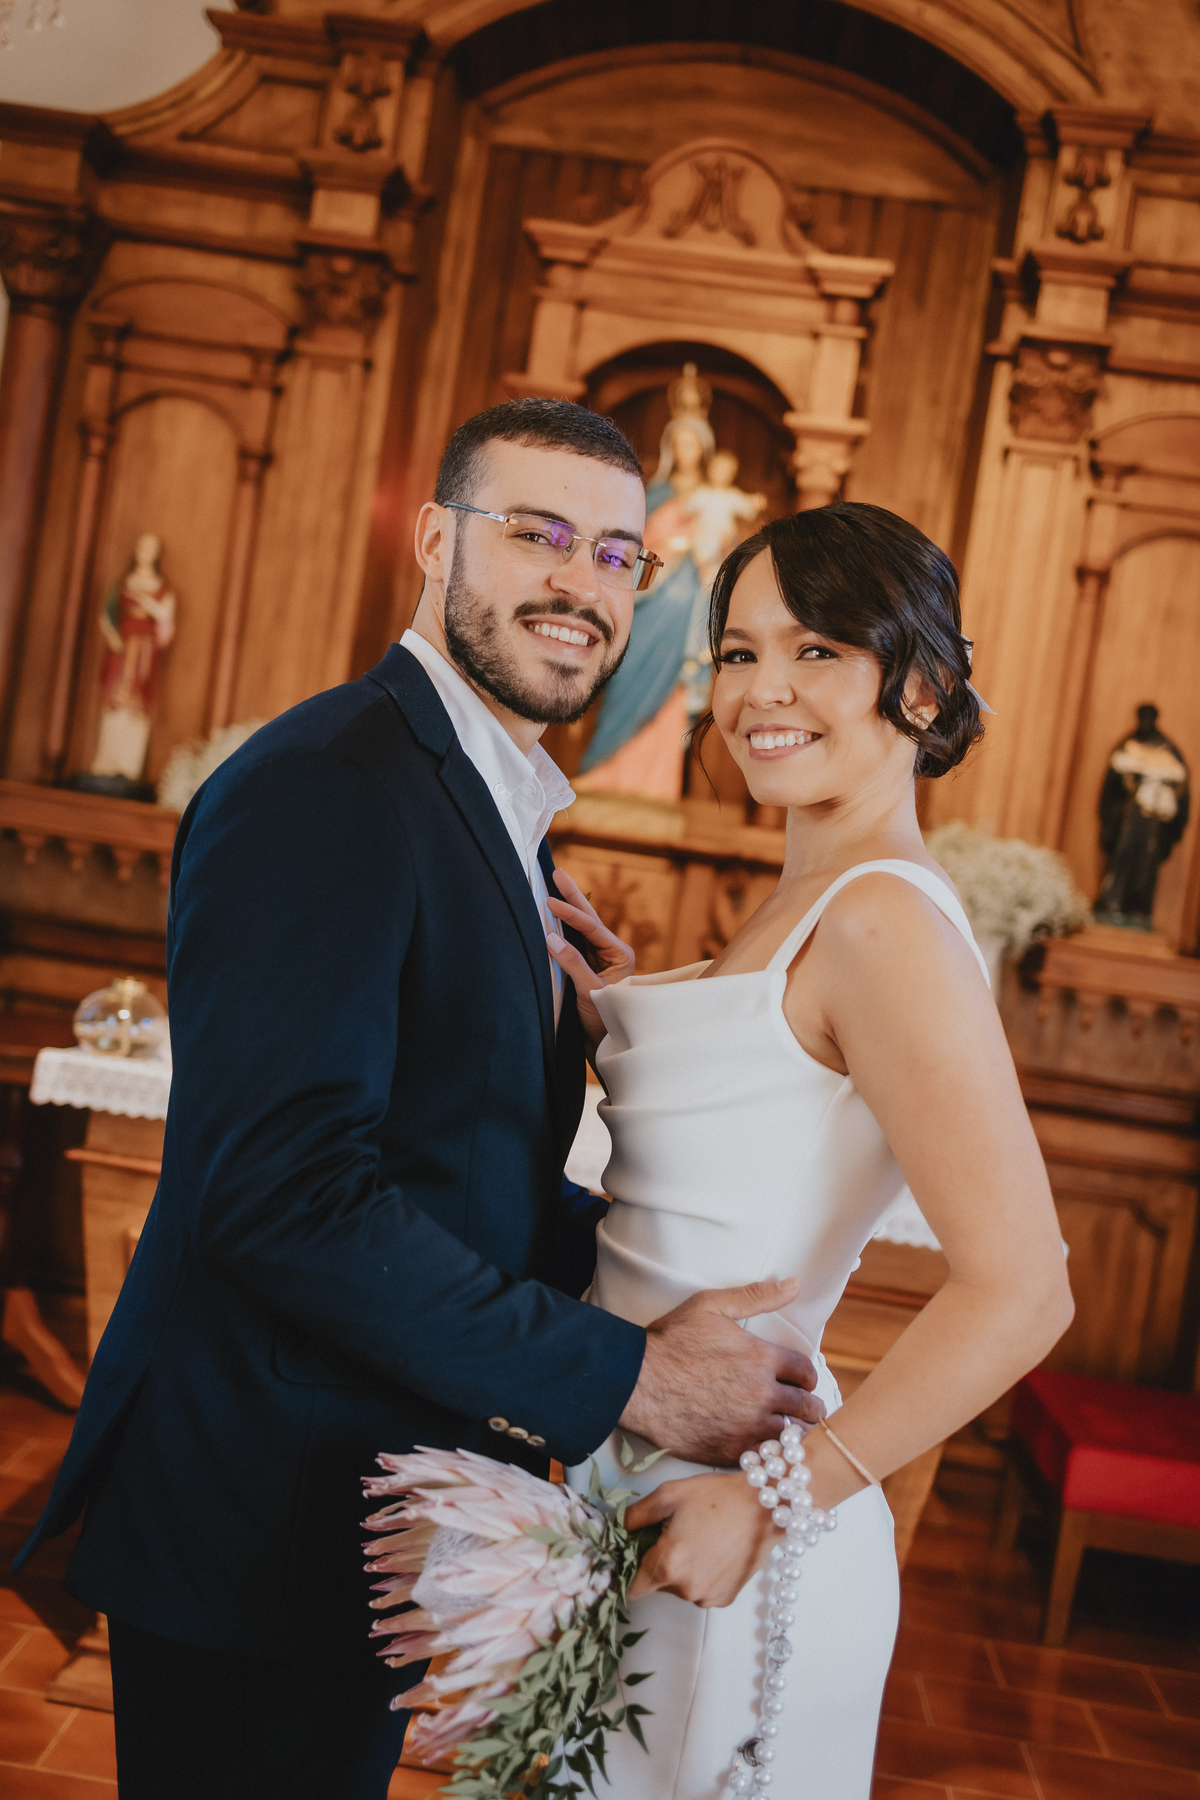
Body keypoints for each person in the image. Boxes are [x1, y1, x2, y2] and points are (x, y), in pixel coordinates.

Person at [16, 400, 825, 1800]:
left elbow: (446, 1169)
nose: (581, 582)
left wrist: (653, 1273)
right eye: (538, 534)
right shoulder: (329, 784)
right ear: (437, 542)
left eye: (618, 555)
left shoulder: (494, 804)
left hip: (352, 1510)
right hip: (257, 1520)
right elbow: (288, 1198)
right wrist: (632, 1374)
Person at [546, 502, 1074, 1799]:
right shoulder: (801, 902)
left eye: (818, 650)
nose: (761, 690)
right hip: (645, 1469)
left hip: (735, 1508)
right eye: (738, 651)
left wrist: (774, 1498)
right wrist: (631, 1015)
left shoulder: (882, 920)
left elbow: (1026, 1289)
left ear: (922, 689)